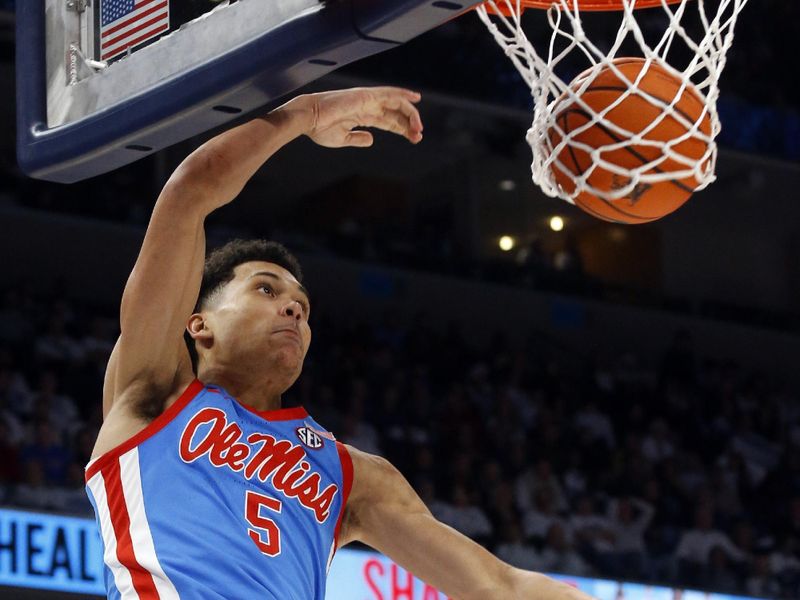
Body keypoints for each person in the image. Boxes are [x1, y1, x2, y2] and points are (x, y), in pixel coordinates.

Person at [86, 86, 596, 599]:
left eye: (303, 307)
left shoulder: (349, 473)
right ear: (199, 324)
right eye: (266, 288)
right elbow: (189, 191)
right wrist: (304, 114)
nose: (292, 308)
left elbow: (500, 586)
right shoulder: (154, 389)